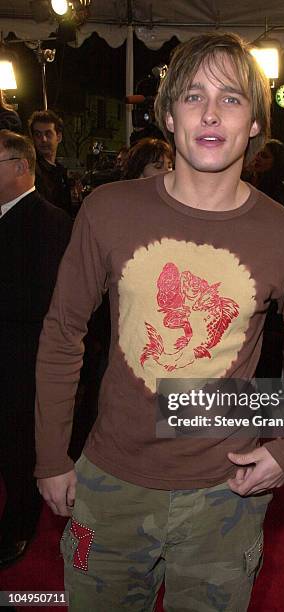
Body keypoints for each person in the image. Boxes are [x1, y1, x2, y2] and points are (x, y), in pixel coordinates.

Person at [35, 32, 284, 611]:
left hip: (225, 492)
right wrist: (50, 456)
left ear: (254, 122)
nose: (209, 112)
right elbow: (62, 334)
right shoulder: (108, 210)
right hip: (110, 481)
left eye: (231, 98)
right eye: (193, 95)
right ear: (168, 114)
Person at [0, 130, 71, 569]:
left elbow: (47, 302)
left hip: (21, 358)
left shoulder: (49, 221)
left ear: (20, 166)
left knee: (18, 443)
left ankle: (20, 523)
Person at [28, 109, 72, 216]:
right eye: (38, 135)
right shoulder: (31, 171)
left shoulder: (59, 171)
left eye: (48, 134)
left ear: (59, 137)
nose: (43, 139)